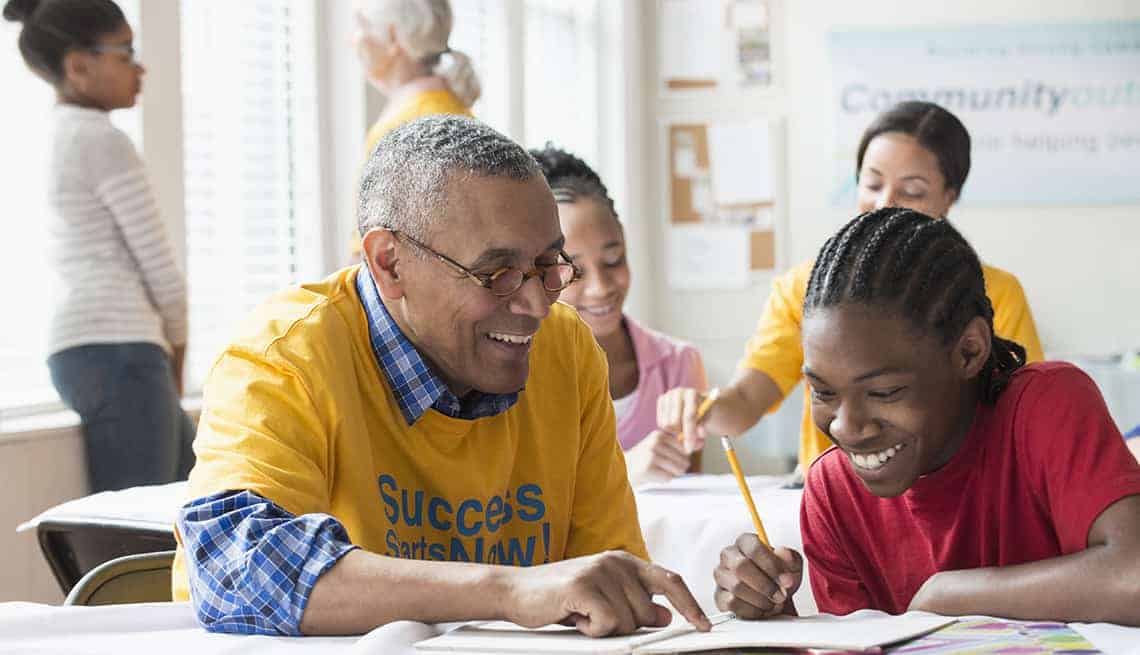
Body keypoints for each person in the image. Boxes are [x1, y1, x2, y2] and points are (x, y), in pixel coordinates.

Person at [172, 116, 711, 638]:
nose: (535, 304)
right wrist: (508, 591)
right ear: (390, 263)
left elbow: (607, 581)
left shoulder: (566, 350)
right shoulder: (285, 357)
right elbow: (233, 570)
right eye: (495, 273)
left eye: (549, 266)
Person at [712, 208, 1140, 624]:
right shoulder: (833, 491)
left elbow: (1132, 577)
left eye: (884, 391)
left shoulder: (1045, 406)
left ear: (969, 350)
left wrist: (948, 595)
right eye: (823, 392)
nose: (845, 426)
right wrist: (778, 625)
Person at [658, 102, 1043, 474]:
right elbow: (745, 402)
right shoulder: (807, 289)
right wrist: (703, 408)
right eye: (872, 183)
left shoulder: (995, 293)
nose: (884, 202)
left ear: (950, 196)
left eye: (912, 190)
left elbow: (1018, 421)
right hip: (835, 512)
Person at [5, 0, 194, 492]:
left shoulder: (51, 135)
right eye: (125, 52)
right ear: (78, 65)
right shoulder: (101, 140)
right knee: (137, 533)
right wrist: (176, 355)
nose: (140, 67)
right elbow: (161, 271)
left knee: (186, 503)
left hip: (82, 350)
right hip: (120, 351)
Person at [531, 145, 707, 487]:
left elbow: (690, 502)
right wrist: (622, 470)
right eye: (575, 271)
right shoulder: (515, 375)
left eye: (614, 261)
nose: (601, 288)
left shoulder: (678, 364)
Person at [348, 0, 480, 260]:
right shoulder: (446, 107)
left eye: (361, 26)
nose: (351, 40)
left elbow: (379, 245)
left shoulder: (408, 125)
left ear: (394, 37)